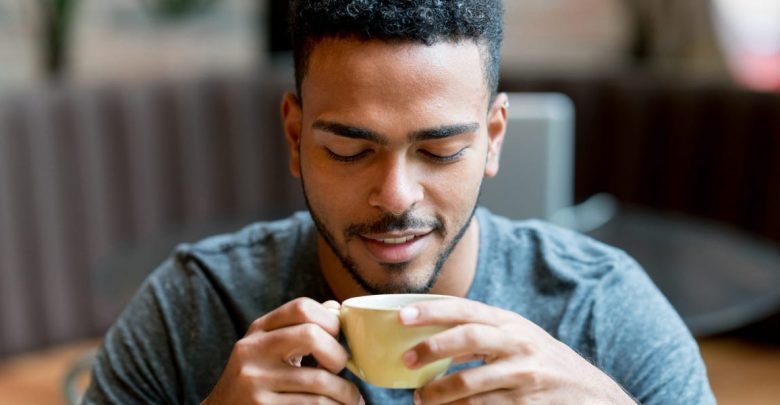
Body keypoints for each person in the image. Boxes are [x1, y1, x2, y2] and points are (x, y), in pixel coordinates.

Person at [83, 1, 716, 404]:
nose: (395, 196)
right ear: (296, 138)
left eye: (439, 151)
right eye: (350, 151)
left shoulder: (600, 309)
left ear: (493, 139)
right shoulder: (194, 305)